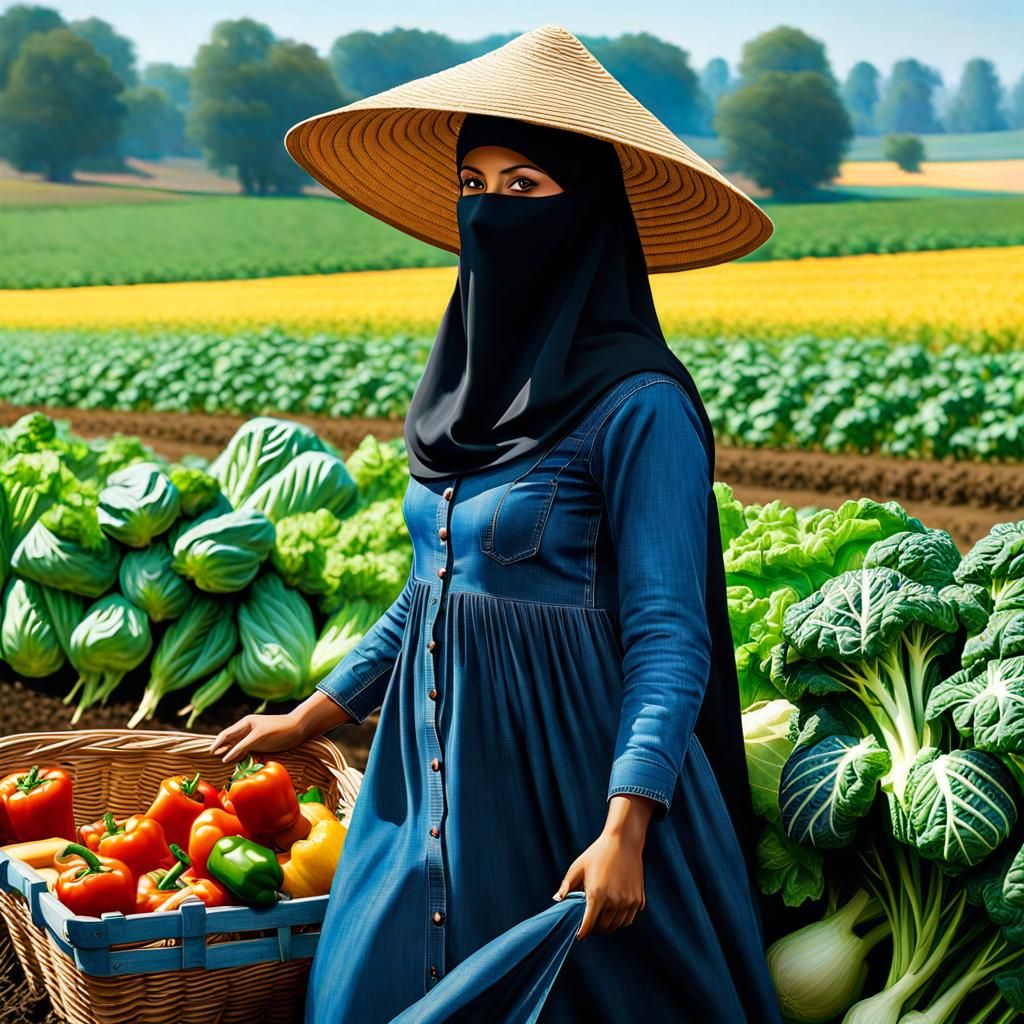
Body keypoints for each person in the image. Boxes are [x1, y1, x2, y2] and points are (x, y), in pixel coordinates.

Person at [211, 25, 783, 1024]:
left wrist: (627, 827)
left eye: (524, 188)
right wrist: (320, 709)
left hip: (572, 790)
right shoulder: (457, 401)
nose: (489, 212)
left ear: (588, 216)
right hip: (426, 780)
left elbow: (666, 629)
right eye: (472, 186)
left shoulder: (639, 405)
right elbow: (432, 586)